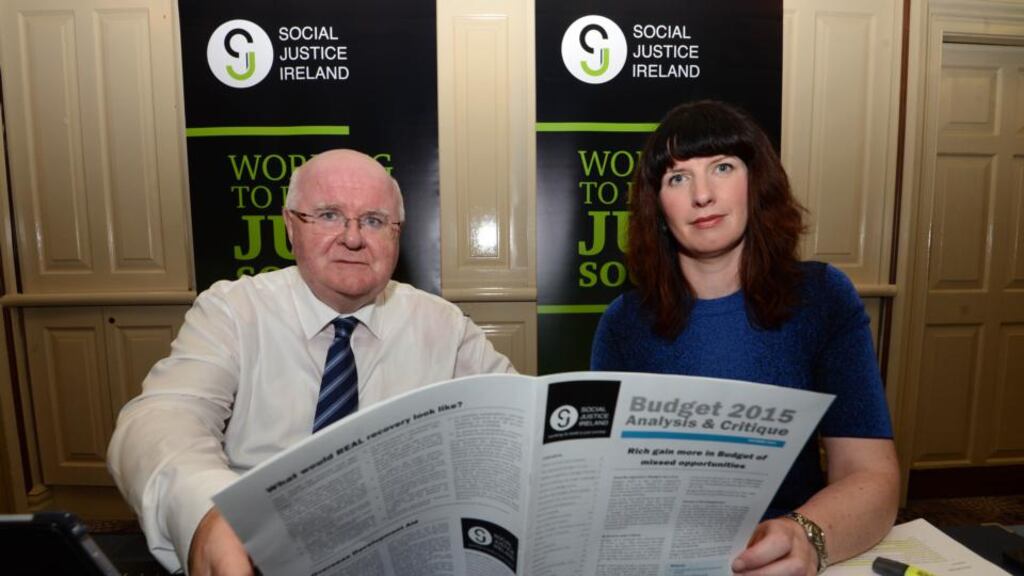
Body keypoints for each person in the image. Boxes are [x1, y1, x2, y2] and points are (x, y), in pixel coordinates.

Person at [108, 149, 514, 575]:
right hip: (259, 556)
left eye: (374, 220)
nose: (353, 238)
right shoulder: (232, 311)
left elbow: (515, 419)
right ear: (290, 225)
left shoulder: (443, 325)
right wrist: (207, 515)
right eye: (328, 216)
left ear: (396, 235)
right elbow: (160, 417)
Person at [590, 101, 899, 575]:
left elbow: (871, 476)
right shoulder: (623, 322)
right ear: (658, 205)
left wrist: (806, 538)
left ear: (756, 182)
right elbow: (604, 485)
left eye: (722, 167)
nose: (703, 194)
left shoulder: (822, 298)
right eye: (678, 177)